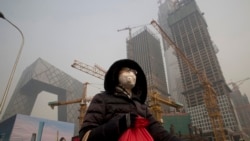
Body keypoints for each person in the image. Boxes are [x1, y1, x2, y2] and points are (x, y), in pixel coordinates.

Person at [79, 59, 182, 141]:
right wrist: (119, 124)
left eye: (134, 72)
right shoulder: (101, 99)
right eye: (127, 70)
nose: (132, 74)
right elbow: (85, 136)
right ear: (116, 73)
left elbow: (160, 133)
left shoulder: (141, 106)